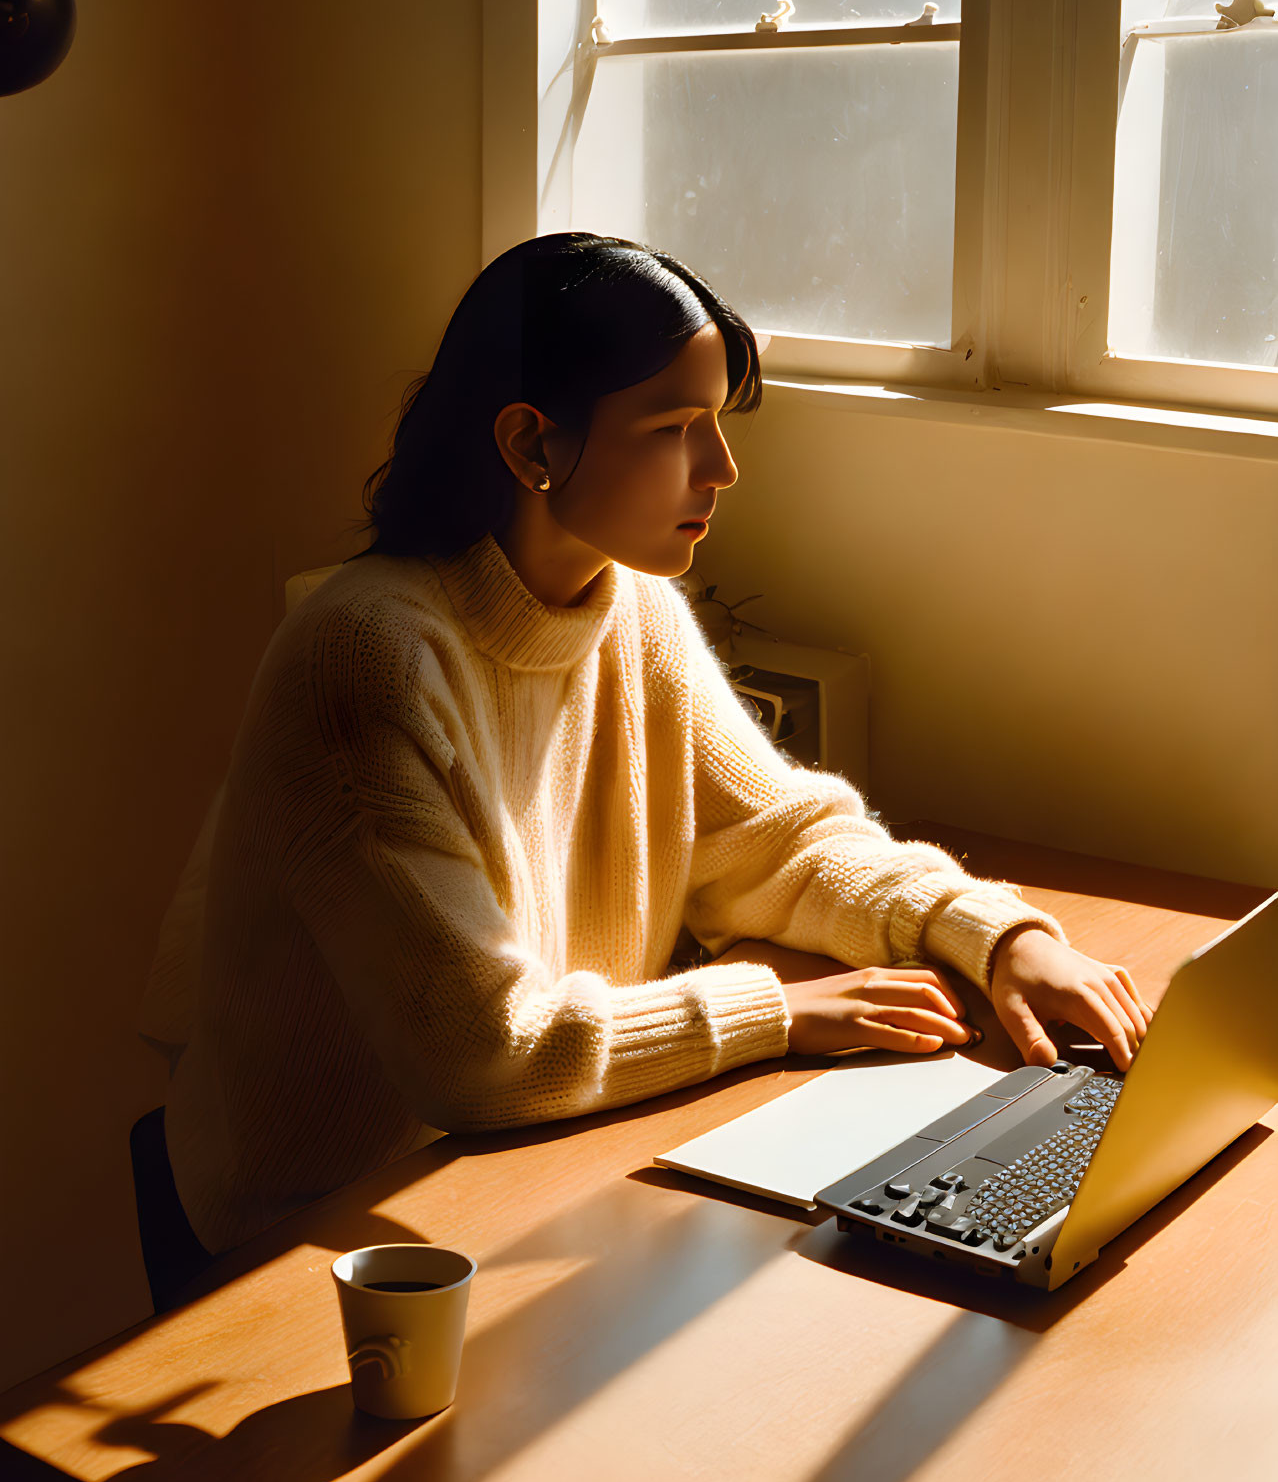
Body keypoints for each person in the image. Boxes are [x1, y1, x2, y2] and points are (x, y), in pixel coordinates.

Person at [139, 232, 1155, 1258]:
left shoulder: (632, 608)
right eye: (676, 426)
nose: (722, 467)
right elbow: (482, 1051)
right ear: (532, 445)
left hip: (532, 1168)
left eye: (715, 422)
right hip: (328, 1241)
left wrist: (998, 934)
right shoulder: (365, 662)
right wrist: (781, 1010)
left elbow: (784, 846)